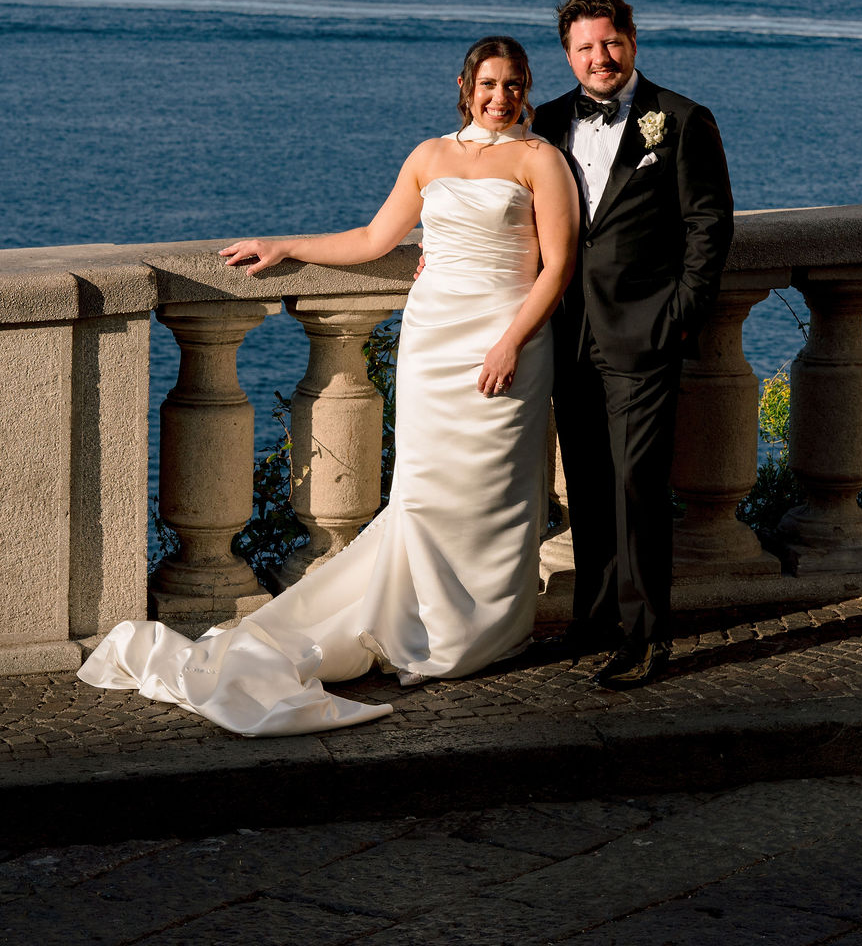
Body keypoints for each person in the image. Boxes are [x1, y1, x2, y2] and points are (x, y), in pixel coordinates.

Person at [78, 37, 579, 737]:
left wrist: (510, 342)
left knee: (496, 490)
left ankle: (482, 632)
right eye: (489, 83)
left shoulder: (541, 161)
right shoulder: (428, 156)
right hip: (435, 343)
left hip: (508, 340)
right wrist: (286, 244)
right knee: (427, 489)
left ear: (527, 90)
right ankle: (419, 623)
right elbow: (375, 239)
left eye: (514, 84)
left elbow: (557, 268)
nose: (501, 98)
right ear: (467, 87)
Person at [532, 0, 733, 689]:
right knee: (586, 484)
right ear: (568, 55)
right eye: (585, 47)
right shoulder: (547, 120)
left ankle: (647, 634)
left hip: (644, 333)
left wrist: (680, 314)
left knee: (636, 484)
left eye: (610, 43)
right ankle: (593, 622)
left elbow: (709, 226)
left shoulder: (680, 121)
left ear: (633, 41)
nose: (600, 58)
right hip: (566, 335)